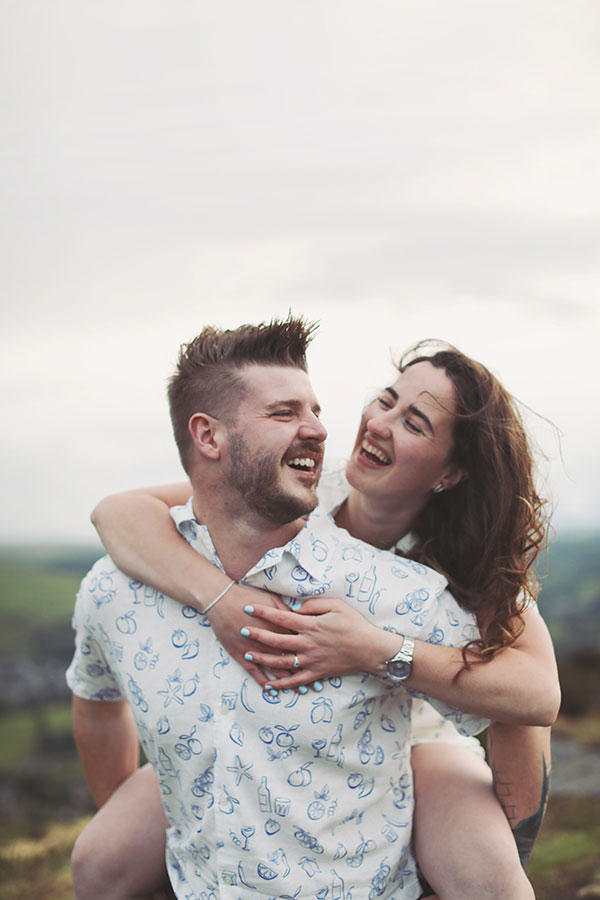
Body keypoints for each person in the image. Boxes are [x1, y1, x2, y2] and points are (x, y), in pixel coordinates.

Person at [72, 333, 560, 900]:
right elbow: (118, 512)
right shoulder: (304, 490)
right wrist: (225, 602)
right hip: (273, 730)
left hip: (422, 732)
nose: (378, 422)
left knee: (490, 876)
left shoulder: (465, 568)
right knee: (98, 859)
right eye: (386, 399)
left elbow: (532, 700)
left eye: (415, 423)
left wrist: (373, 648)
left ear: (450, 473)